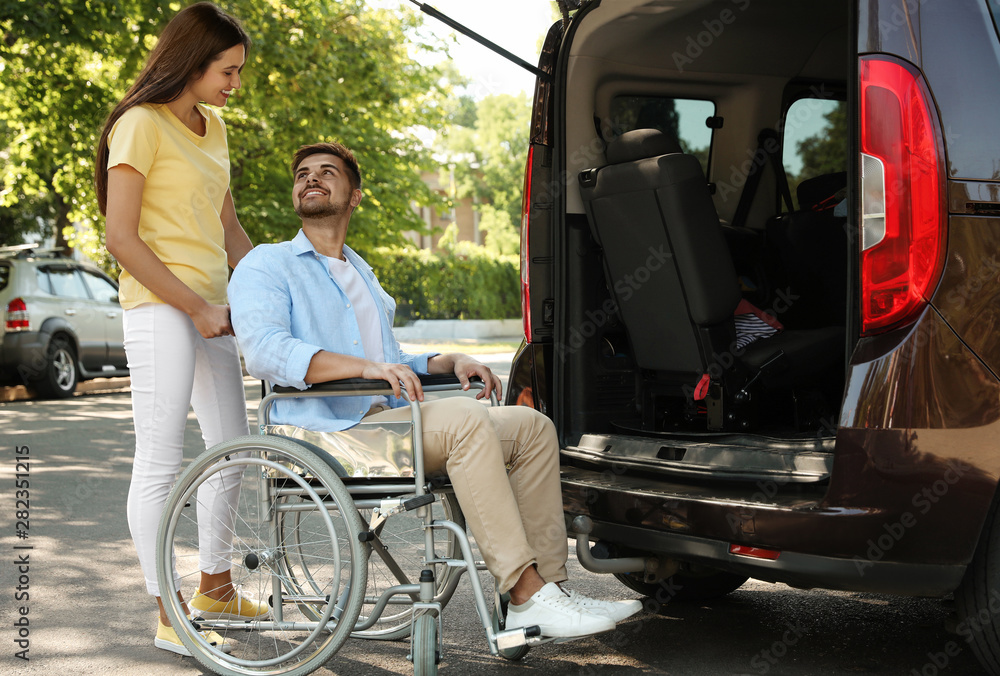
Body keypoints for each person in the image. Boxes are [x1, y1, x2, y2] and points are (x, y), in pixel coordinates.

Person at [228, 141, 642, 640]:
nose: (311, 179)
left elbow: (392, 363)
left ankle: (547, 590)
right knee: (465, 421)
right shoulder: (267, 265)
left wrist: (450, 361)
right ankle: (524, 591)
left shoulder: (363, 276)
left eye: (326, 172)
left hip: (387, 424)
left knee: (532, 426)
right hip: (328, 432)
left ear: (355, 196)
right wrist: (368, 367)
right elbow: (267, 352)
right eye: (302, 174)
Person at [95, 2, 269, 656]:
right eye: (227, 70)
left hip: (210, 307)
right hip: (160, 306)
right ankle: (167, 607)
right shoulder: (139, 125)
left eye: (238, 72)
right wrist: (193, 307)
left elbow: (227, 230)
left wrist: (269, 289)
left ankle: (216, 586)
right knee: (163, 457)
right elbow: (120, 235)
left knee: (234, 447)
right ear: (192, 62)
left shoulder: (215, 129)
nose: (234, 83)